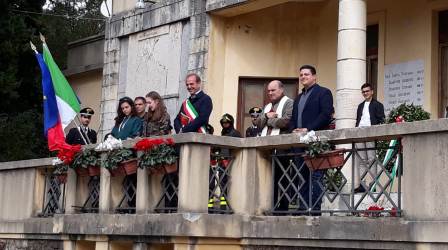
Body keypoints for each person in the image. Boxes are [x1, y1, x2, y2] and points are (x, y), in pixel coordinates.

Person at [290, 65, 333, 214]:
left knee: (316, 178)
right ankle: (303, 208)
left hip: (316, 143)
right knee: (302, 177)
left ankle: (315, 210)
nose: (303, 77)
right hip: (299, 145)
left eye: (306, 74)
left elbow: (326, 114)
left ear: (314, 76)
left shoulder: (324, 93)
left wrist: (308, 129)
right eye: (301, 75)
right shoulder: (298, 98)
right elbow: (293, 119)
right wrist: (294, 130)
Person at [254, 80, 293, 212]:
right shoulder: (267, 106)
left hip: (282, 148)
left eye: (273, 90)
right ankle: (269, 206)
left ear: (281, 90)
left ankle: (282, 209)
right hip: (267, 149)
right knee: (268, 179)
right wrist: (266, 115)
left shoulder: (289, 103)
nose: (270, 93)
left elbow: (287, 121)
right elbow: (258, 122)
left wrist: (268, 121)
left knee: (282, 179)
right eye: (269, 91)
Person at [354, 83, 385, 193]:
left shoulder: (378, 105)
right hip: (360, 133)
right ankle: (362, 184)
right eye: (363, 91)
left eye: (367, 91)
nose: (365, 93)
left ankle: (372, 184)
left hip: (371, 133)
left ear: (372, 91)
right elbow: (358, 120)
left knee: (371, 159)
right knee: (362, 160)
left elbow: (382, 120)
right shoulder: (360, 106)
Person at [208, 113, 241, 211]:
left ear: (231, 123)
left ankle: (226, 204)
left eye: (227, 123)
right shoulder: (223, 133)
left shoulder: (235, 133)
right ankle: (222, 205)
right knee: (222, 183)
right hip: (222, 162)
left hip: (231, 162)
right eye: (223, 123)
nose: (225, 125)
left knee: (228, 183)